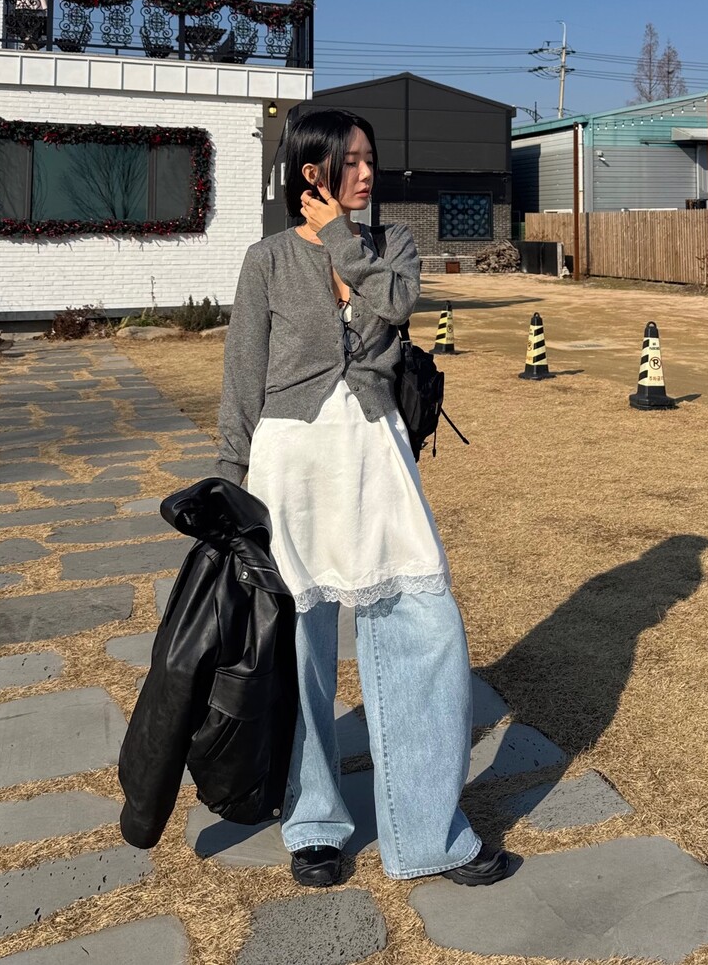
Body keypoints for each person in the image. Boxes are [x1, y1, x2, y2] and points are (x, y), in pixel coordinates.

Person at [216, 107, 510, 889]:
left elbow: (395, 306)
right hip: (291, 466)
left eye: (370, 157)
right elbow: (242, 376)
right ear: (310, 170)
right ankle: (314, 821)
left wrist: (343, 238)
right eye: (350, 160)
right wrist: (228, 482)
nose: (367, 171)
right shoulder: (266, 260)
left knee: (427, 628)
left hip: (376, 455)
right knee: (300, 646)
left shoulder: (392, 245)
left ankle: (428, 831)